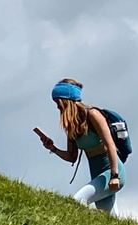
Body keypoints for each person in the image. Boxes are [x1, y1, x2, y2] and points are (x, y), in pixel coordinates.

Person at [33, 78, 125, 213]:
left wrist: (115, 175)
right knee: (109, 217)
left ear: (67, 101)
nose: (57, 107)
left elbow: (110, 145)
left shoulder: (93, 114)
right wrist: (53, 149)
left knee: (78, 200)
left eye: (58, 102)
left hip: (112, 172)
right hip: (96, 174)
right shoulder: (70, 125)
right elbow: (71, 157)